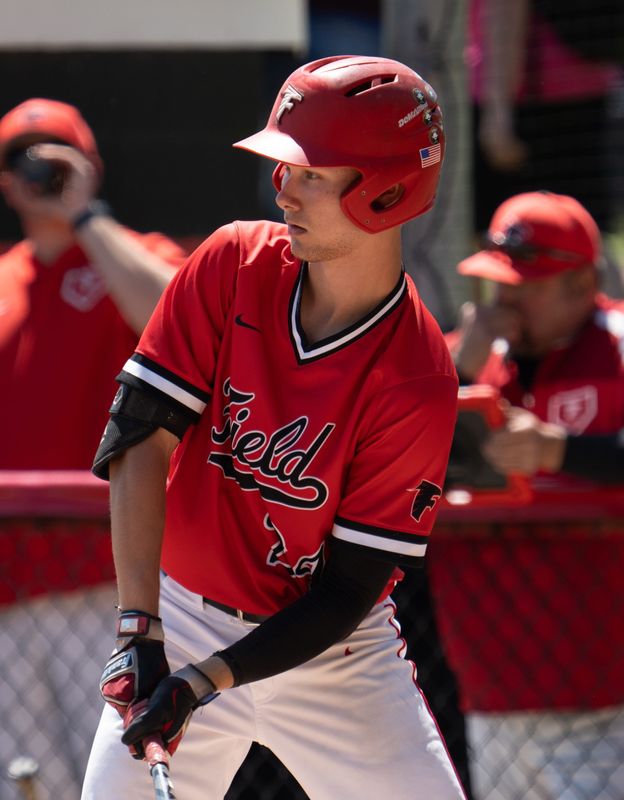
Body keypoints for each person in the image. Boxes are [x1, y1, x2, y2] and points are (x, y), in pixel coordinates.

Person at [80, 55, 467, 800]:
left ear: (387, 191)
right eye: (284, 167)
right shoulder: (231, 263)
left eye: (313, 173)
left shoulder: (417, 376)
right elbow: (137, 440)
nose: (283, 188)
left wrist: (206, 682)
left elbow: (346, 591)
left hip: (331, 656)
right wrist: (141, 631)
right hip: (181, 615)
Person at [0, 98, 186, 800]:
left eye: (56, 154)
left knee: (122, 782)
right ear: (4, 181)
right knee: (24, 785)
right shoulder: (2, 278)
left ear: (92, 167)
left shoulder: (128, 253)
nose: (40, 169)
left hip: (109, 587)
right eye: (24, 158)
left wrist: (85, 214)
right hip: (8, 590)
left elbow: (177, 320)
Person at [429, 190, 624, 799]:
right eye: (499, 282)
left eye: (527, 284)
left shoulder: (617, 344)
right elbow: (389, 458)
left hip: (604, 692)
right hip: (490, 685)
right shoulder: (462, 357)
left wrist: (560, 451)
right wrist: (461, 367)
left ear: (581, 282)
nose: (506, 300)